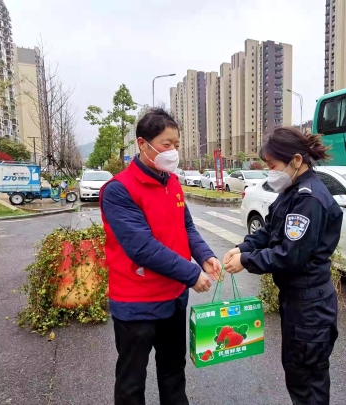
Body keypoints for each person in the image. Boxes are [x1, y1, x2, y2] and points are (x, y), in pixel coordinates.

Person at [99, 108, 222, 405]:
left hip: (173, 297)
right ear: (142, 143)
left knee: (173, 372)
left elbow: (186, 226)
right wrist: (192, 274)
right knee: (131, 383)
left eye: (176, 144)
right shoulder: (119, 190)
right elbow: (142, 247)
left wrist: (204, 256)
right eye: (166, 144)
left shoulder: (172, 182)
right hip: (136, 303)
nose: (173, 151)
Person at [223, 127, 343, 405]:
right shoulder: (292, 192)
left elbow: (290, 255)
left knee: (307, 381)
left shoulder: (308, 199)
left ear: (296, 160)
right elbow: (270, 230)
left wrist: (247, 261)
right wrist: (243, 248)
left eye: (272, 165)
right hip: (298, 300)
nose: (269, 172)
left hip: (310, 306)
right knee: (297, 372)